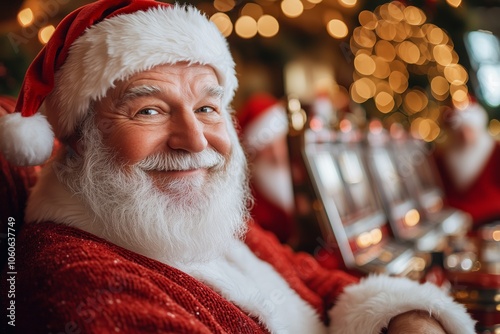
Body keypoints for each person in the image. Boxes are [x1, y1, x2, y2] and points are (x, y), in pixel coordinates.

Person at [0, 1, 475, 333]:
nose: (195, 140)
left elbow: (313, 280)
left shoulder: (202, 218)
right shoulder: (80, 279)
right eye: (149, 110)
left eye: (208, 108)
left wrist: (408, 315)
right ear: (77, 140)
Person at [237, 93, 297, 243]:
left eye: (280, 142)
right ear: (255, 152)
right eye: (268, 147)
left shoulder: (298, 175)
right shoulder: (249, 203)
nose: (277, 154)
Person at [434, 98, 500, 228]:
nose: (465, 136)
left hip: (492, 215)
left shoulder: (495, 151)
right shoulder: (443, 158)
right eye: (461, 131)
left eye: (469, 130)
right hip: (456, 218)